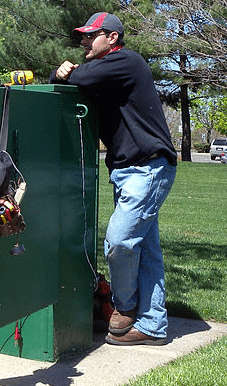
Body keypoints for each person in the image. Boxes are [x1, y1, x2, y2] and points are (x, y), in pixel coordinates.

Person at [50, 12, 177, 346]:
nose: (84, 40)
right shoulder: (104, 73)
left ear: (113, 38)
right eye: (83, 35)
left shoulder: (127, 62)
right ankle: (153, 325)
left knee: (119, 241)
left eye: (92, 35)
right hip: (125, 171)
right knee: (145, 249)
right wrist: (58, 73)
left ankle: (122, 306)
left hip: (148, 167)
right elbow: (70, 80)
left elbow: (79, 78)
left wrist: (66, 72)